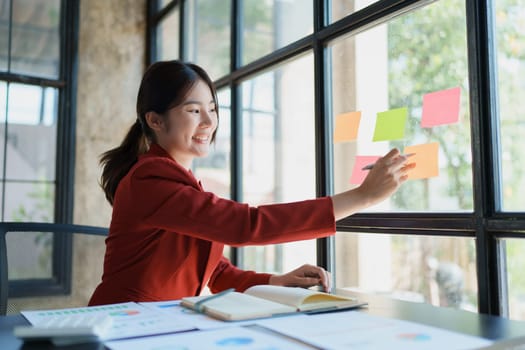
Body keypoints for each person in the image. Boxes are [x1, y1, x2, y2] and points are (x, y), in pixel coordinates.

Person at [88, 60, 414, 306]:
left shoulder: (176, 182)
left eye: (212, 109)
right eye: (194, 110)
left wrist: (275, 279)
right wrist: (363, 196)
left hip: (155, 325)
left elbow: (213, 271)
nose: (209, 122)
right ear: (155, 120)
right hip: (122, 322)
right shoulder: (151, 180)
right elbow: (246, 225)